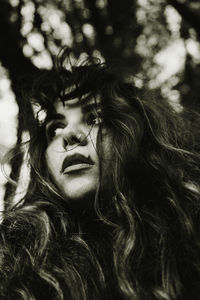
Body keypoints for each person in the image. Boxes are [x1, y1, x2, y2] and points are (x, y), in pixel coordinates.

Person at [0, 51, 200, 300]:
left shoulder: (189, 236)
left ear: (135, 135)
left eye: (94, 118)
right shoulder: (17, 259)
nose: (69, 135)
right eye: (55, 128)